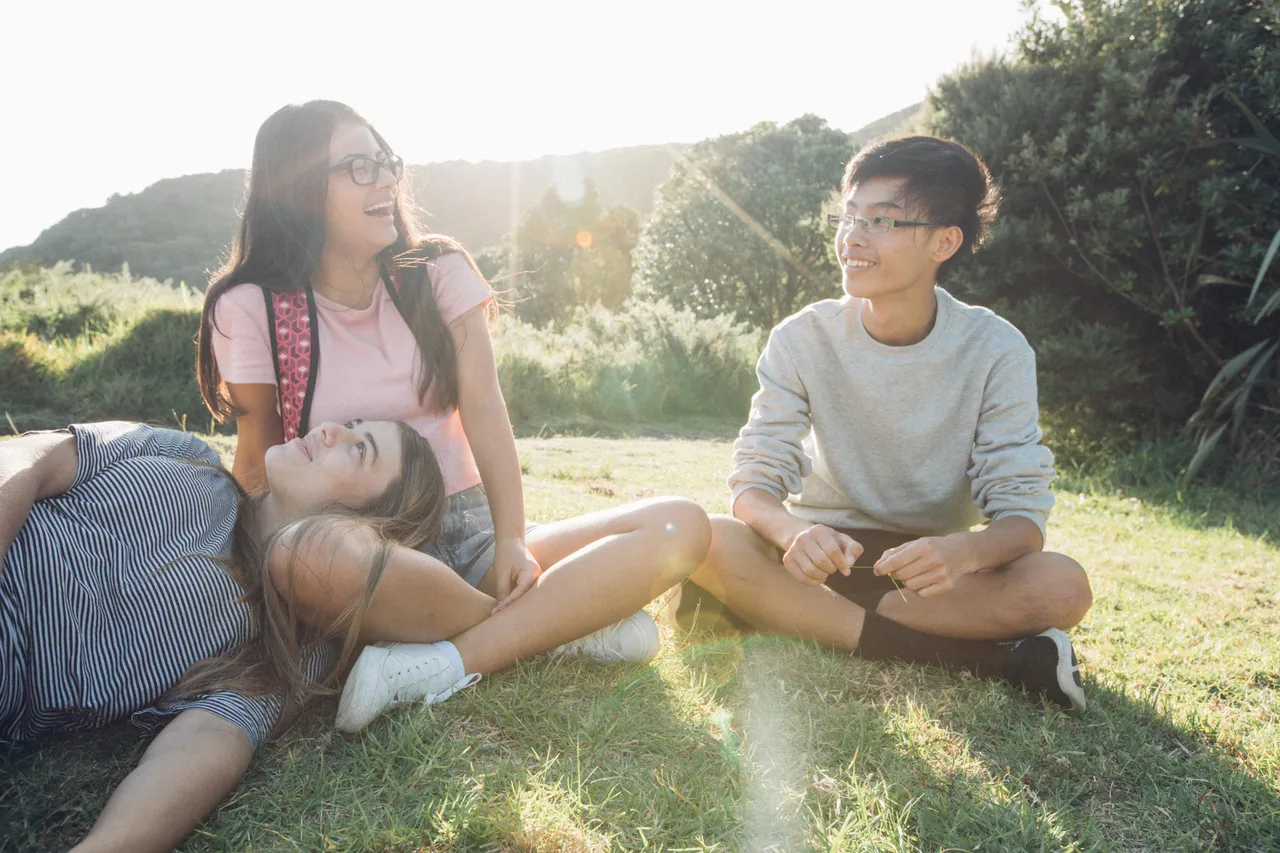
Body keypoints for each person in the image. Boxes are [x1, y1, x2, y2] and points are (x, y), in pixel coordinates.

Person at [2, 418, 708, 852]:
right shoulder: (179, 454)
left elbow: (203, 744)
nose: (329, 430)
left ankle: (542, 630)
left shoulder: (276, 649)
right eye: (346, 424)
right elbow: (31, 458)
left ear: (369, 522)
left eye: (358, 447)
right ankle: (554, 631)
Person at [196, 100, 680, 686]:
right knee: (313, 559)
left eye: (386, 162)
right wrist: (245, 581)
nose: (386, 180)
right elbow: (258, 459)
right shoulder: (251, 307)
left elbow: (485, 409)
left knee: (678, 524)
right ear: (299, 189)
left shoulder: (438, 272)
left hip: (469, 525)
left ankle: (450, 657)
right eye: (359, 167)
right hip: (360, 545)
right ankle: (552, 623)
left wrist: (511, 540)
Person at [683, 136, 1093, 712]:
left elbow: (1023, 518)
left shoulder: (997, 350)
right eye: (849, 217)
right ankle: (992, 662)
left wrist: (963, 554)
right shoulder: (802, 337)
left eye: (882, 221)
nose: (852, 237)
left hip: (928, 574)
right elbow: (754, 482)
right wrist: (790, 533)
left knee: (1061, 586)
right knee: (706, 538)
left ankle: (778, 611)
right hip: (818, 555)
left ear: (944, 241)